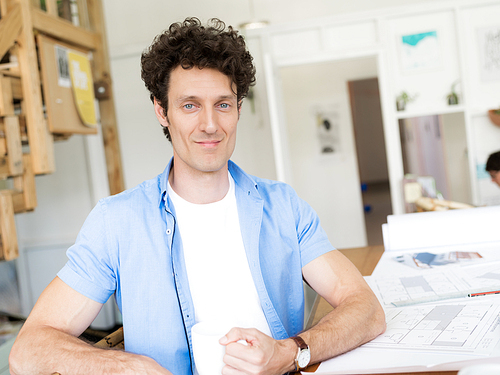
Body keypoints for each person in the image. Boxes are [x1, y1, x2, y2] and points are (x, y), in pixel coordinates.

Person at [9, 18, 385, 375]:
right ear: (162, 111)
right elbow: (27, 350)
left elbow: (366, 308)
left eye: (222, 104)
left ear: (237, 110)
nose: (209, 124)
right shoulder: (117, 222)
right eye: (190, 105)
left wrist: (290, 352)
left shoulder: (283, 206)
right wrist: (127, 366)